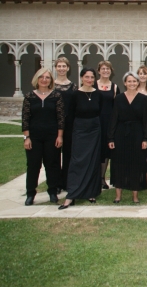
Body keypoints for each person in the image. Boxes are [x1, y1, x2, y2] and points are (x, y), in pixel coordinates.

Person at [59, 68, 103, 209]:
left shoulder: (98, 95)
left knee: (93, 161)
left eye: (92, 77)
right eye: (87, 77)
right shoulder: (74, 95)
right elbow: (70, 116)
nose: (89, 79)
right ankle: (71, 194)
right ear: (81, 78)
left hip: (95, 129)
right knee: (77, 161)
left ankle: (91, 192)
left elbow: (100, 113)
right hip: (79, 130)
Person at [22, 68, 64, 205]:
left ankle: (52, 192)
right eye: (42, 77)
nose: (44, 79)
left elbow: (60, 118)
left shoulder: (56, 96)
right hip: (34, 137)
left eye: (47, 77)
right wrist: (27, 137)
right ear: (37, 79)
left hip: (52, 136)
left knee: (52, 164)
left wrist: (60, 136)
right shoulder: (29, 96)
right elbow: (25, 119)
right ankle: (30, 194)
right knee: (33, 165)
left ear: (51, 80)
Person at [107, 72, 147, 204]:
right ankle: (118, 195)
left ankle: (135, 196)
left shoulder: (143, 99)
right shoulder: (119, 98)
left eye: (134, 81)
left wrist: (145, 139)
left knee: (135, 164)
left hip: (137, 134)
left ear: (138, 83)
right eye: (129, 81)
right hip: (121, 134)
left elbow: (146, 120)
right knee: (119, 164)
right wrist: (111, 138)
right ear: (125, 83)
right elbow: (113, 119)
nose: (132, 83)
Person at [95, 60, 121, 190]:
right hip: (95, 121)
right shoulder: (93, 85)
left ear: (111, 71)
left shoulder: (114, 87)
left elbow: (118, 106)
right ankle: (94, 177)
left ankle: (102, 178)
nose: (105, 71)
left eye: (108, 69)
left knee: (106, 151)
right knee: (95, 150)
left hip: (109, 122)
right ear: (99, 71)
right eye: (103, 69)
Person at [53, 57, 77, 193]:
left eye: (64, 66)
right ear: (56, 68)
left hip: (69, 123)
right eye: (59, 66)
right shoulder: (51, 86)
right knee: (54, 154)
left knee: (68, 153)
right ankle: (56, 183)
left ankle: (66, 181)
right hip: (53, 122)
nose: (61, 68)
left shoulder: (73, 86)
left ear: (68, 68)